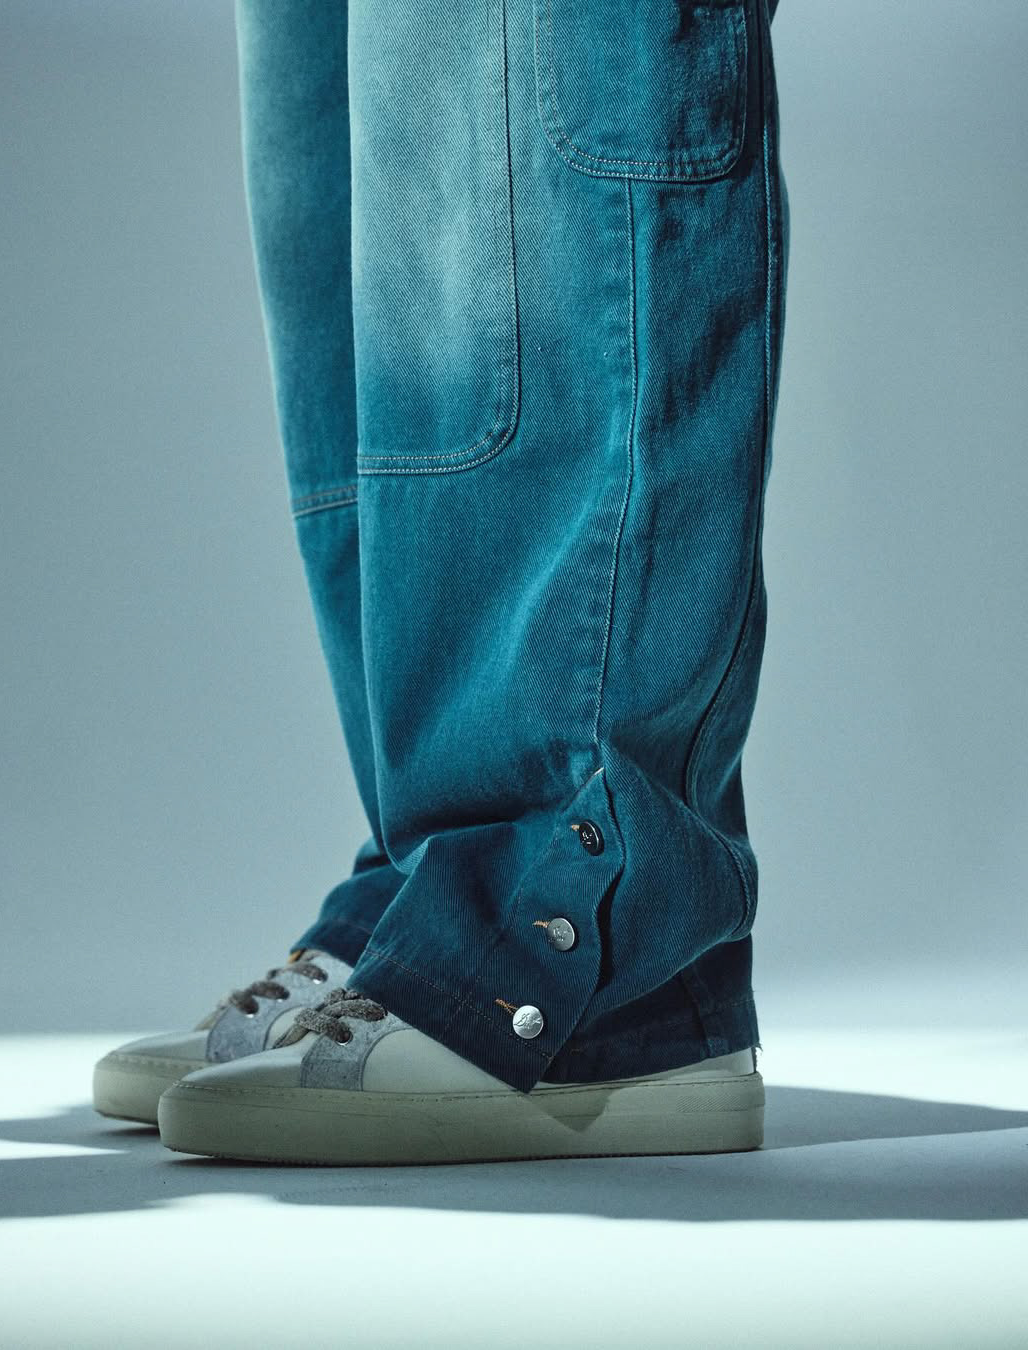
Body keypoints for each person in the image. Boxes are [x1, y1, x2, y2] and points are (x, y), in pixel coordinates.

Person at [94, 0, 788, 1165]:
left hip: (588, 977)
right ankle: (435, 898)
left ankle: (578, 955)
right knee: (357, 173)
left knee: (530, 110)